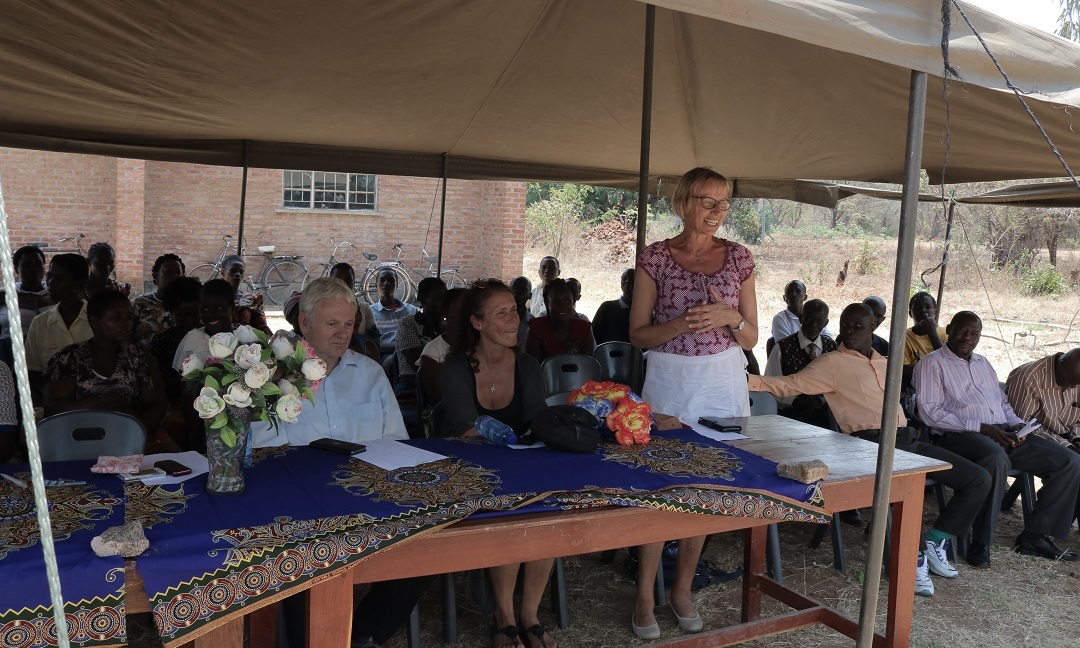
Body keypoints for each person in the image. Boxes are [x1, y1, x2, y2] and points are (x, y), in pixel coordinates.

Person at [750, 303, 992, 596]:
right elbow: (788, 385)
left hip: (905, 440)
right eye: (845, 326)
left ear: (872, 329)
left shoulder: (885, 362)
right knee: (906, 489)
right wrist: (744, 379)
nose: (849, 332)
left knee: (978, 478)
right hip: (868, 444)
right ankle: (909, 562)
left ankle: (935, 539)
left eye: (858, 327)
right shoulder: (831, 363)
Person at [249, 278, 419, 648]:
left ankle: (362, 635)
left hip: (369, 496)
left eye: (348, 324)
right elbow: (263, 455)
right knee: (304, 551)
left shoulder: (370, 374)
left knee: (421, 544)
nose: (343, 334)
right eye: (331, 324)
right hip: (301, 502)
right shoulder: (273, 379)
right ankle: (313, 639)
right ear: (305, 323)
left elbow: (397, 444)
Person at [628, 167, 758, 638]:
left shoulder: (740, 258)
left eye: (724, 204)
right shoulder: (656, 258)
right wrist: (681, 324)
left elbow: (751, 337)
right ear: (684, 202)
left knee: (705, 484)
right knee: (660, 486)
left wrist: (729, 316)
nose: (717, 213)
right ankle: (645, 591)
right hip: (669, 378)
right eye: (708, 202)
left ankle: (681, 588)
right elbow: (638, 334)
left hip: (723, 377)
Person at [440, 280, 555, 648]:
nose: (513, 319)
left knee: (547, 510)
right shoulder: (455, 367)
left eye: (514, 310)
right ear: (476, 323)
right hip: (469, 473)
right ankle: (505, 616)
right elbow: (464, 427)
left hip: (521, 467)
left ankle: (530, 616)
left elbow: (538, 422)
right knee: (512, 510)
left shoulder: (528, 365)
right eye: (501, 313)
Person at [915, 311, 1080, 565]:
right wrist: (982, 428)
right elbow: (930, 413)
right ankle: (981, 542)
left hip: (1002, 431)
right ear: (949, 329)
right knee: (996, 458)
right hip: (960, 435)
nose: (967, 337)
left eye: (974, 333)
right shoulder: (932, 363)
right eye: (962, 330)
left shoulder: (983, 363)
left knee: (1069, 461)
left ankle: (1034, 536)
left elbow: (1002, 402)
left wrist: (1018, 425)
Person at [44, 290, 167, 437]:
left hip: (129, 436)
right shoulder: (70, 358)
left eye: (129, 317)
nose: (126, 323)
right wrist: (99, 403)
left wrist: (134, 434)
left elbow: (157, 403)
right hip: (76, 437)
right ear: (95, 322)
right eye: (116, 318)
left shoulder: (139, 357)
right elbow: (53, 409)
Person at [25, 254, 93, 403]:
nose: (51, 282)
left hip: (95, 404)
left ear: (79, 284)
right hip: (53, 406)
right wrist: (53, 400)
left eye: (59, 278)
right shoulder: (40, 324)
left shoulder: (97, 321)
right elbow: (34, 372)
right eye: (50, 276)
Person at [764, 298, 837, 428]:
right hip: (791, 415)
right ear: (801, 318)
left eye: (819, 321)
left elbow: (840, 385)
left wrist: (822, 400)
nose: (813, 325)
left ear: (826, 323)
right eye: (809, 319)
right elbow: (771, 385)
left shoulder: (833, 349)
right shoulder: (782, 348)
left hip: (825, 414)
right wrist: (796, 401)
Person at [1005, 349, 1080, 451]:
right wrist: (1066, 445)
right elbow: (1024, 426)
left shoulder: (1076, 378)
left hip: (1070, 436)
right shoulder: (1028, 378)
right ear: (1061, 365)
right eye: (1069, 383)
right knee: (1074, 461)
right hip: (1037, 438)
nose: (1073, 387)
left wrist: (1077, 438)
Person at [147, 277, 202, 400]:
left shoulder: (213, 338)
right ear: (170, 312)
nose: (189, 321)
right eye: (182, 315)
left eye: (195, 314)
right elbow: (160, 383)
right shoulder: (161, 341)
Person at [394, 277, 447, 393]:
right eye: (437, 298)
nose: (442, 303)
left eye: (445, 299)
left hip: (444, 382)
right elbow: (418, 363)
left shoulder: (445, 325)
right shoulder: (408, 323)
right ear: (422, 299)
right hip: (411, 385)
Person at [172, 279, 237, 372]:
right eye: (205, 309)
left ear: (232, 308)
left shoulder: (245, 338)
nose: (210, 314)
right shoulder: (193, 339)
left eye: (218, 308)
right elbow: (184, 380)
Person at [418, 288, 467, 406]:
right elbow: (439, 400)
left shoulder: (481, 344)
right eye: (462, 309)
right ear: (446, 314)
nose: (468, 314)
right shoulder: (433, 351)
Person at [526, 278, 595, 361]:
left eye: (567, 301)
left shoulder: (584, 328)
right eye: (556, 302)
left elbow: (588, 366)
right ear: (547, 303)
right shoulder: (536, 329)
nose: (562, 306)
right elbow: (533, 368)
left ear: (573, 302)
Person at [131, 253, 185, 345]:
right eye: (168, 272)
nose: (174, 277)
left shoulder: (188, 305)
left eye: (177, 273)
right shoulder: (138, 304)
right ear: (155, 276)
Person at [770, 280, 833, 347]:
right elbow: (784, 345)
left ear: (805, 297)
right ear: (784, 298)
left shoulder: (814, 315)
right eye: (789, 292)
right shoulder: (780, 319)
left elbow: (827, 337)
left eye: (798, 292)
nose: (794, 294)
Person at [370, 268, 417, 353]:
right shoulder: (370, 312)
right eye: (382, 280)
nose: (386, 283)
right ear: (376, 285)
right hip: (384, 356)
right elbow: (371, 344)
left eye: (391, 280)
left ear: (397, 285)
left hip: (409, 354)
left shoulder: (411, 311)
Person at [220, 254, 270, 334]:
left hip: (245, 345)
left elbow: (262, 328)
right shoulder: (214, 298)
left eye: (241, 272)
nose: (238, 274)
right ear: (223, 273)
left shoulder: (252, 299)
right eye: (233, 271)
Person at [329, 262, 378, 339]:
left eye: (348, 280)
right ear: (330, 282)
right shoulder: (322, 308)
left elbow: (374, 337)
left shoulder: (364, 308)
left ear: (354, 282)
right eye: (338, 280)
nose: (344, 284)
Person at [903, 291, 946, 369]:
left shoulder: (945, 334)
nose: (923, 310)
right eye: (917, 308)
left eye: (928, 307)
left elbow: (947, 363)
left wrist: (932, 332)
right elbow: (903, 369)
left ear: (935, 311)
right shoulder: (904, 337)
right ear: (910, 314)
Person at [592, 268, 634, 344]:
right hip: (607, 354)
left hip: (638, 355)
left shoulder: (644, 311)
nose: (627, 281)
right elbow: (593, 335)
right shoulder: (607, 307)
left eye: (632, 279)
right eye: (624, 279)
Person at [510, 276, 533, 350]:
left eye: (523, 289)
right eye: (514, 289)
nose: (518, 292)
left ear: (530, 295)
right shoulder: (499, 321)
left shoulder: (534, 324)